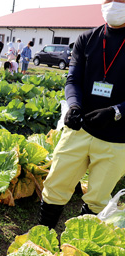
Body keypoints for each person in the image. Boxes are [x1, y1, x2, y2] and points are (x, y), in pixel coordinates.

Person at [38, 0, 125, 230]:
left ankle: (76, 243)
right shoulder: (87, 39)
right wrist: (74, 106)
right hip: (80, 128)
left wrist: (116, 111)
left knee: (98, 197)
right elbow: (73, 79)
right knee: (55, 185)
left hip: (117, 138)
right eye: (110, 0)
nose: (115, 4)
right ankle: (42, 235)